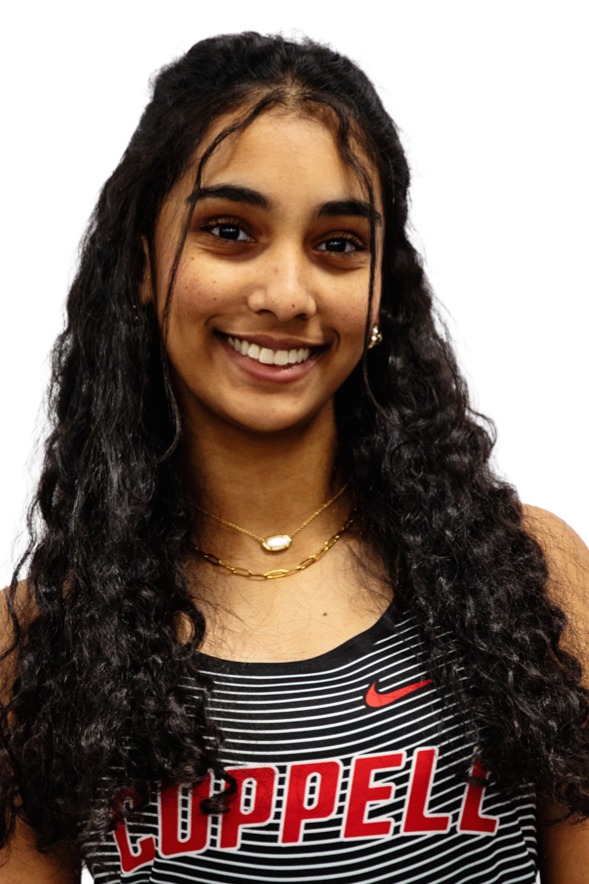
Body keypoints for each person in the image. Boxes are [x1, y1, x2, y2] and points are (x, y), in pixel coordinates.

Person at [1, 31, 588, 884]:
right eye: (229, 231)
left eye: (338, 243)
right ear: (140, 266)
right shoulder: (46, 636)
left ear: (382, 289)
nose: (286, 294)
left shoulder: (527, 580)